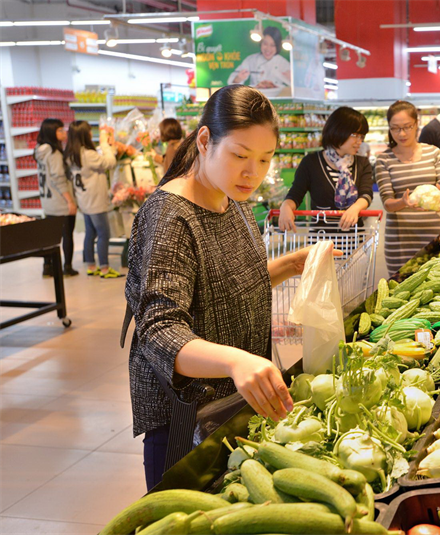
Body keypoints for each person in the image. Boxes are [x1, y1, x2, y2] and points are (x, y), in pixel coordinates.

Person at [125, 85, 312, 490]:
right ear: (206, 140)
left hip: (230, 409)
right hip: (185, 420)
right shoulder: (170, 217)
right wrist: (235, 361)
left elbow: (225, 280)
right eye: (240, 156)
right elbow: (160, 331)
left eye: (265, 159)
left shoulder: (233, 197)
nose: (253, 172)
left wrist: (289, 265)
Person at [375, 101, 440, 274]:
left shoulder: (433, 153)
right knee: (400, 293)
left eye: (407, 127)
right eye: (395, 128)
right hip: (400, 241)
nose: (401, 133)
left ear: (417, 124)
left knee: (433, 288)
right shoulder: (384, 160)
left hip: (432, 238)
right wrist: (403, 202)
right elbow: (387, 203)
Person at [279, 107, 373, 232]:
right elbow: (296, 194)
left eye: (362, 136)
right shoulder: (311, 162)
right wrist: (285, 207)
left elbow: (366, 194)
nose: (359, 141)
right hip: (321, 239)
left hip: (354, 239)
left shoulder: (362, 163)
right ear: (338, 130)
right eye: (355, 135)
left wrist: (355, 208)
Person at [64, 121, 122, 278]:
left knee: (90, 232)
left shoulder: (71, 154)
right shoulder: (88, 155)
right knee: (104, 233)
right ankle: (104, 268)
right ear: (85, 135)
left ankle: (91, 265)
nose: (91, 134)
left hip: (84, 200)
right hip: (96, 201)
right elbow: (110, 162)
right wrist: (104, 144)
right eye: (89, 132)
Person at [35, 118, 78, 277]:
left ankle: (48, 267)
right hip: (60, 201)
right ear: (51, 133)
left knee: (50, 237)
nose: (63, 132)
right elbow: (58, 178)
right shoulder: (53, 153)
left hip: (47, 200)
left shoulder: (40, 150)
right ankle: (67, 267)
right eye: (59, 130)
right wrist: (70, 201)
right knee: (67, 235)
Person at [227, 26, 291, 95]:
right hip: (255, 97)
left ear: (278, 46)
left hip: (276, 97)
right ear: (261, 43)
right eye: (265, 44)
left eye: (273, 45)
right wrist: (238, 78)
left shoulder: (282, 62)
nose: (268, 49)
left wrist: (291, 78)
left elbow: (296, 86)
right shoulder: (251, 60)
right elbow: (231, 84)